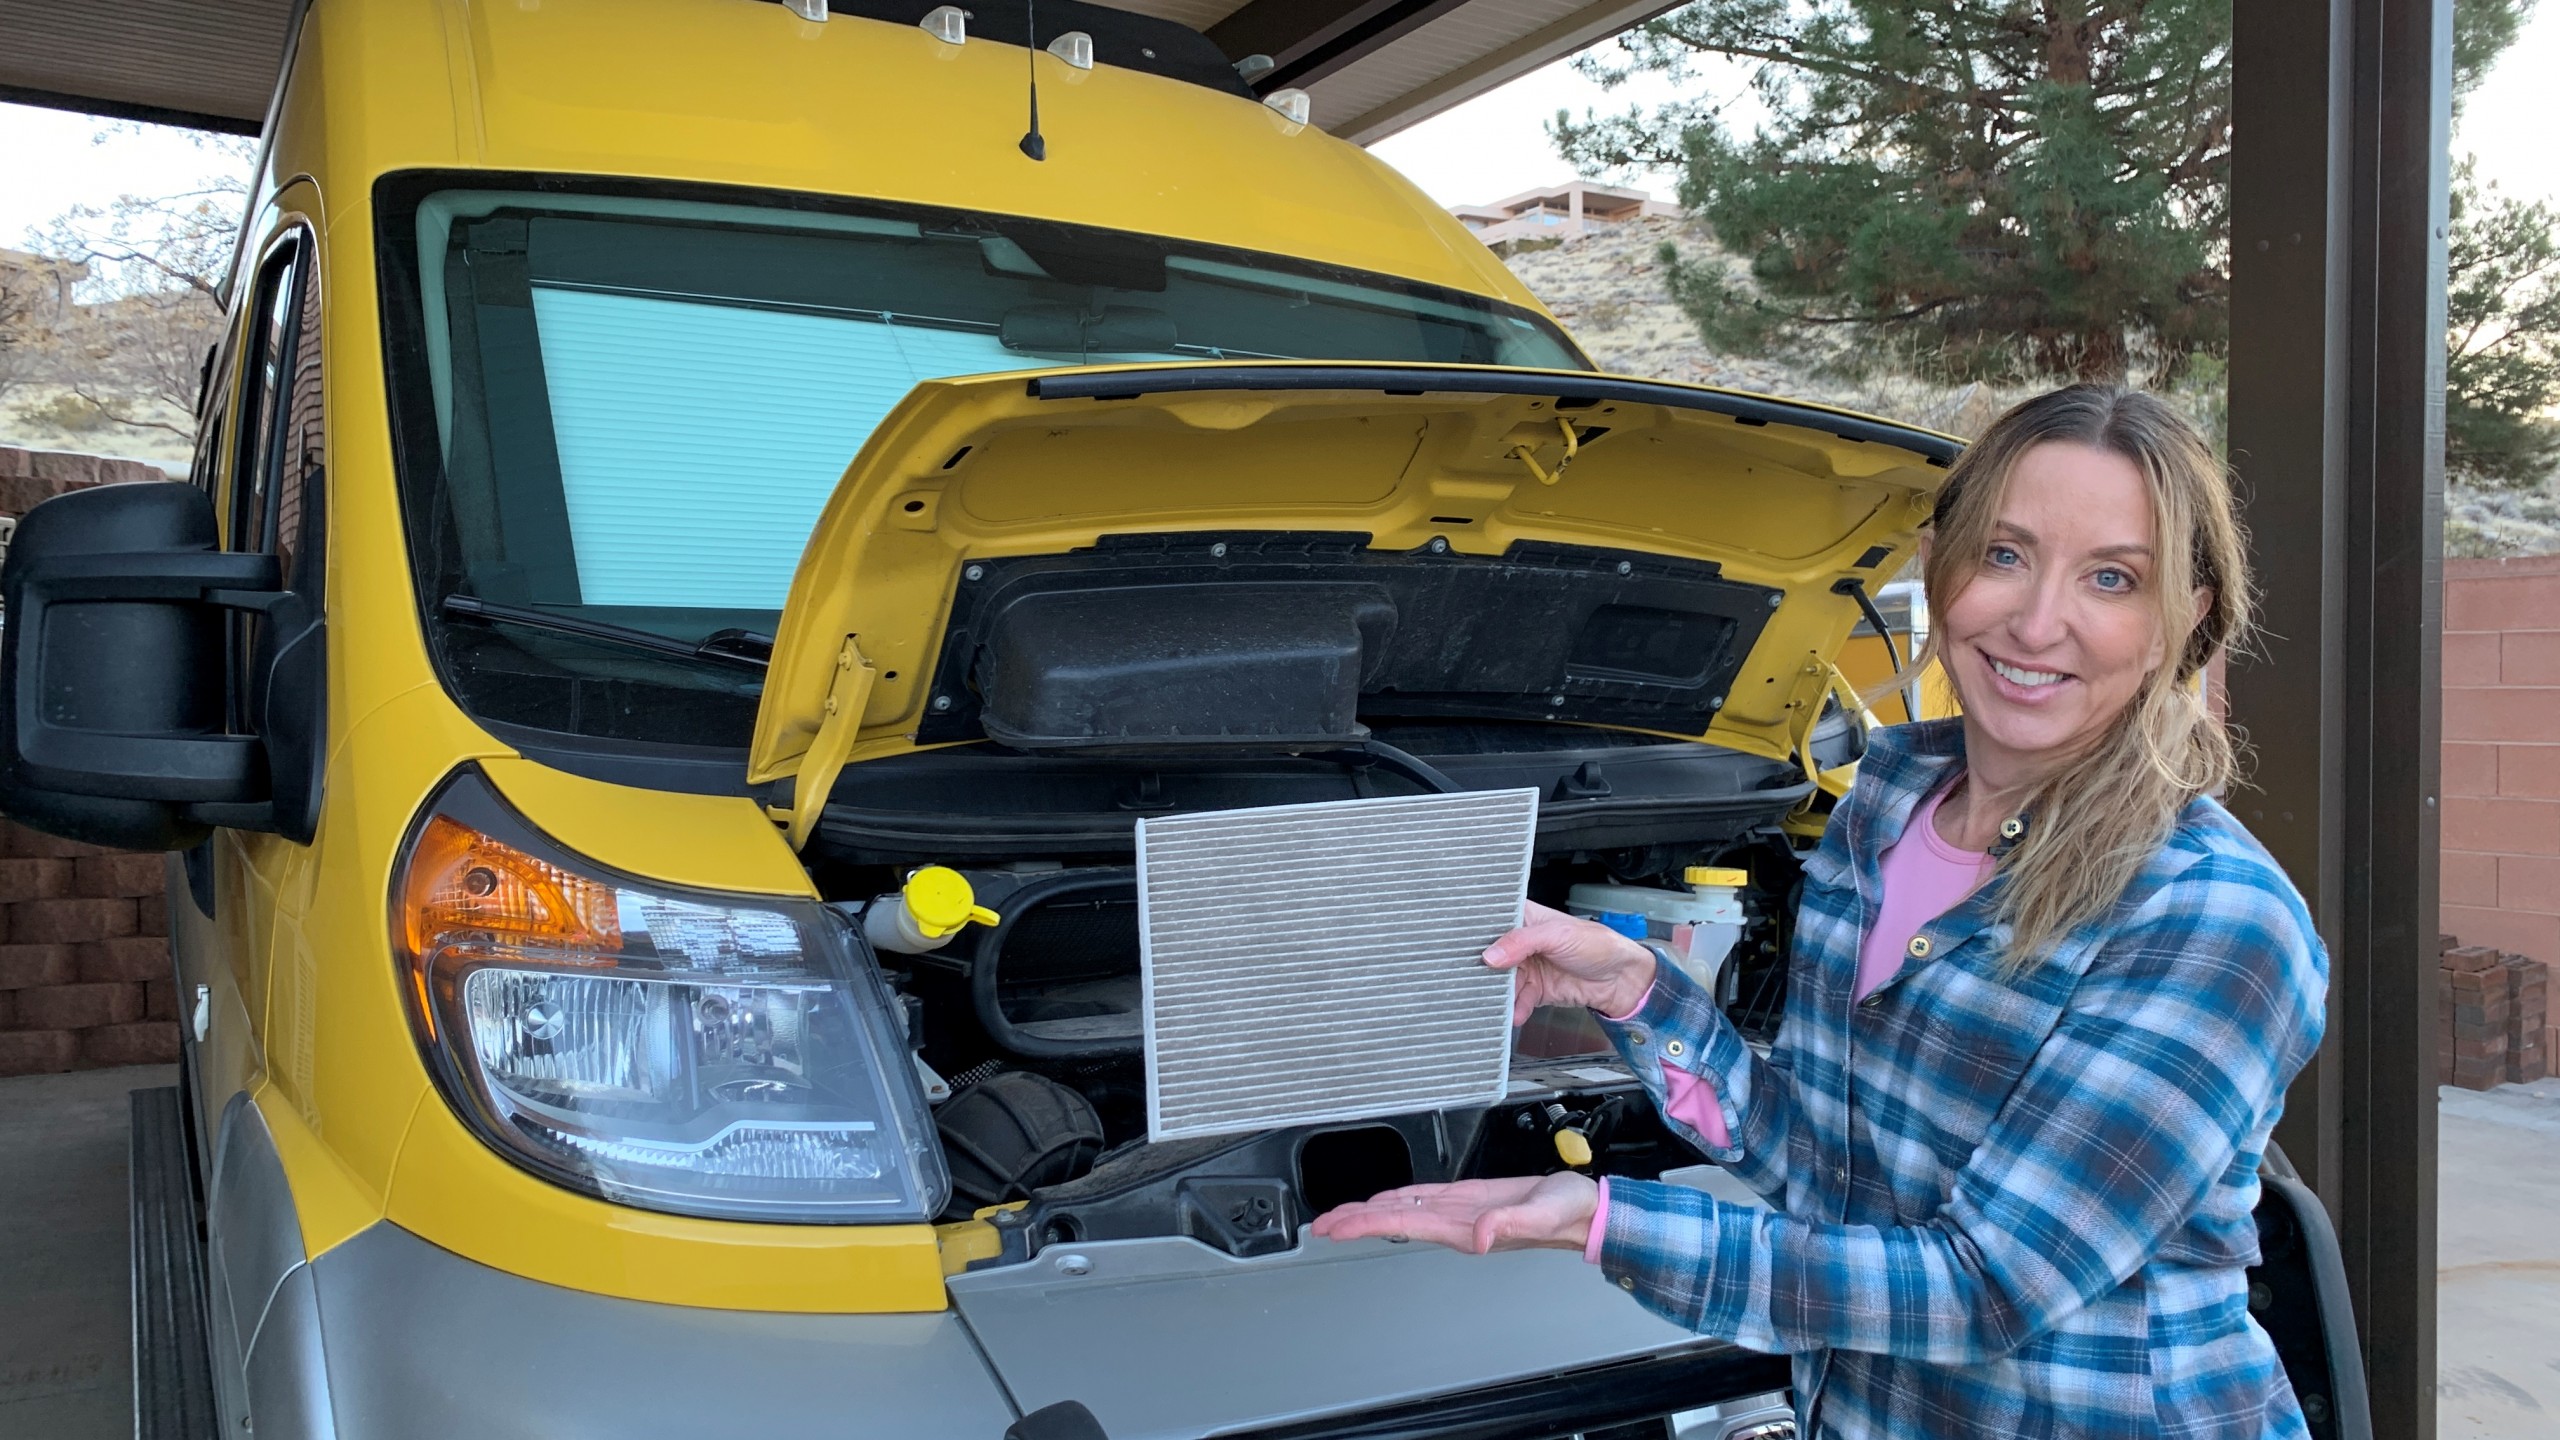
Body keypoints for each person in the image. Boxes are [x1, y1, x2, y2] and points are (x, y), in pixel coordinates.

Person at [1312, 385, 2330, 1439]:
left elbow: (1986, 1287)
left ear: (2187, 617)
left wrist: (1606, 1224)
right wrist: (1638, 992)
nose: (2036, 623)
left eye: (2110, 578)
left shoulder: (2209, 919)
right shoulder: (1883, 818)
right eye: (2003, 554)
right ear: (1939, 562)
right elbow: (1829, 1169)